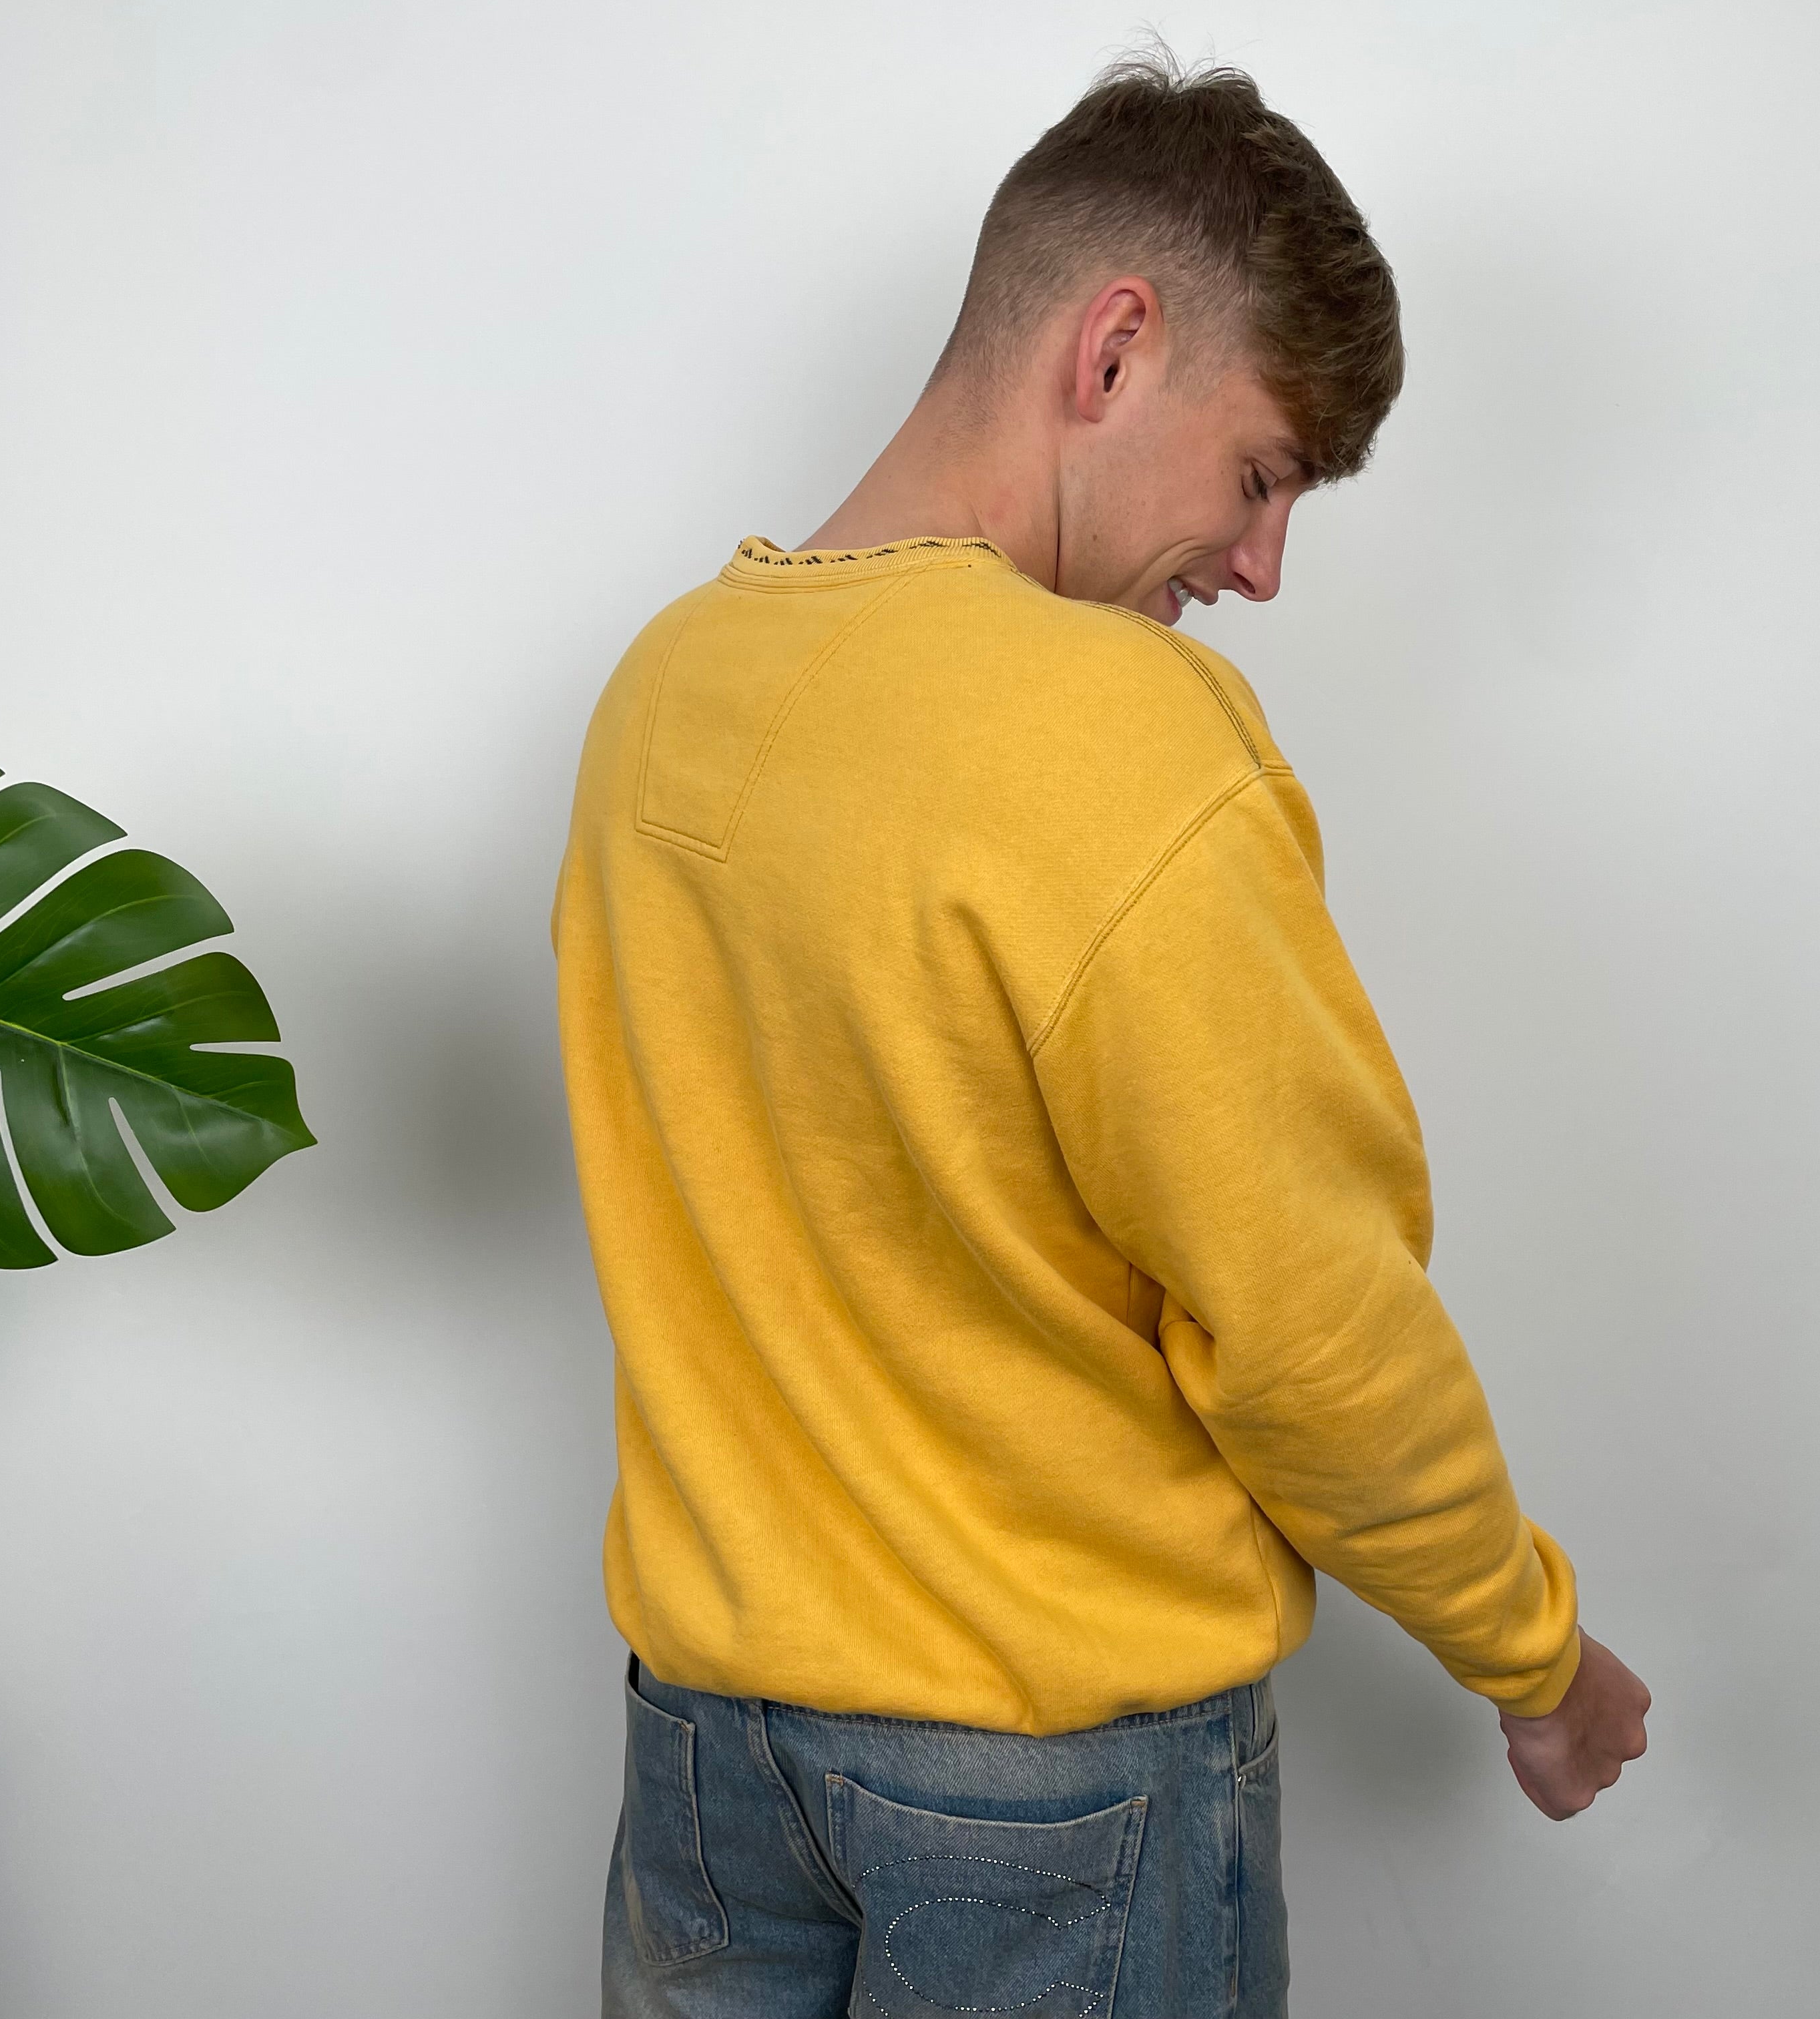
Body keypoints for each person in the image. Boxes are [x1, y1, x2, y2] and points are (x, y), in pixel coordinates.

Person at [553, 49, 1649, 2019]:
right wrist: (1537, 1659)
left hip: (704, 1764)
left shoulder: (663, 701)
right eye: (1262, 472)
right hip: (1052, 1798)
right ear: (1117, 346)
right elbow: (1315, 1336)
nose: (1262, 567)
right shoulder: (1123, 746)